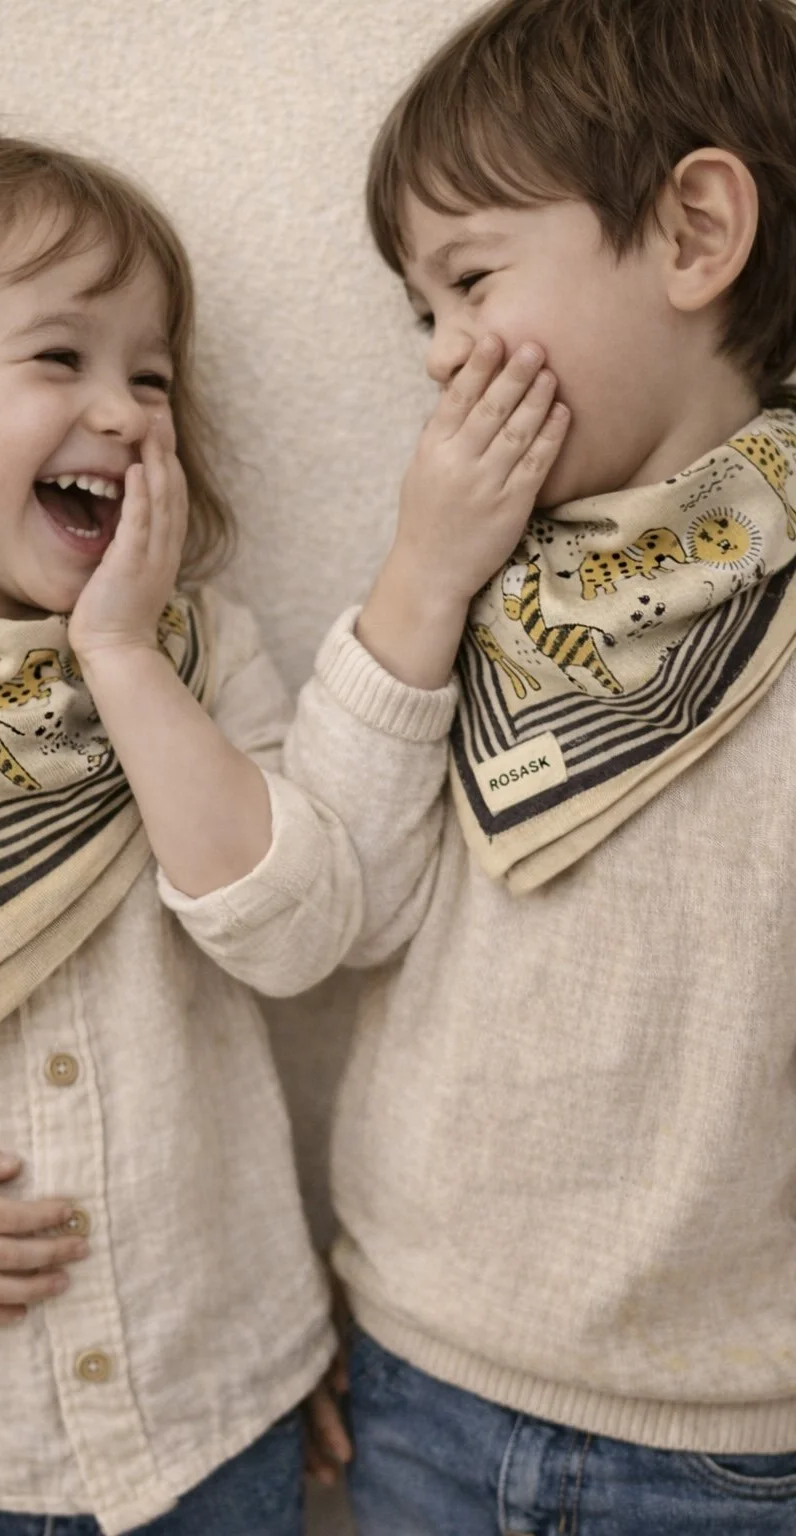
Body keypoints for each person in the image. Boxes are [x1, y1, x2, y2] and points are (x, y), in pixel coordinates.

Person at [0, 115, 361, 1536]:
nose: (132, 410)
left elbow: (296, 938)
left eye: (151, 373)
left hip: (215, 1400)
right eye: (60, 356)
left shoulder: (202, 657)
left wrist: (124, 658)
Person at [285, 0, 796, 1529]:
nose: (442, 353)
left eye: (470, 280)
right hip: (416, 1381)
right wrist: (420, 583)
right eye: (419, 315)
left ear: (696, 234)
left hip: (736, 1441)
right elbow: (335, 902)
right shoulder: (470, 589)